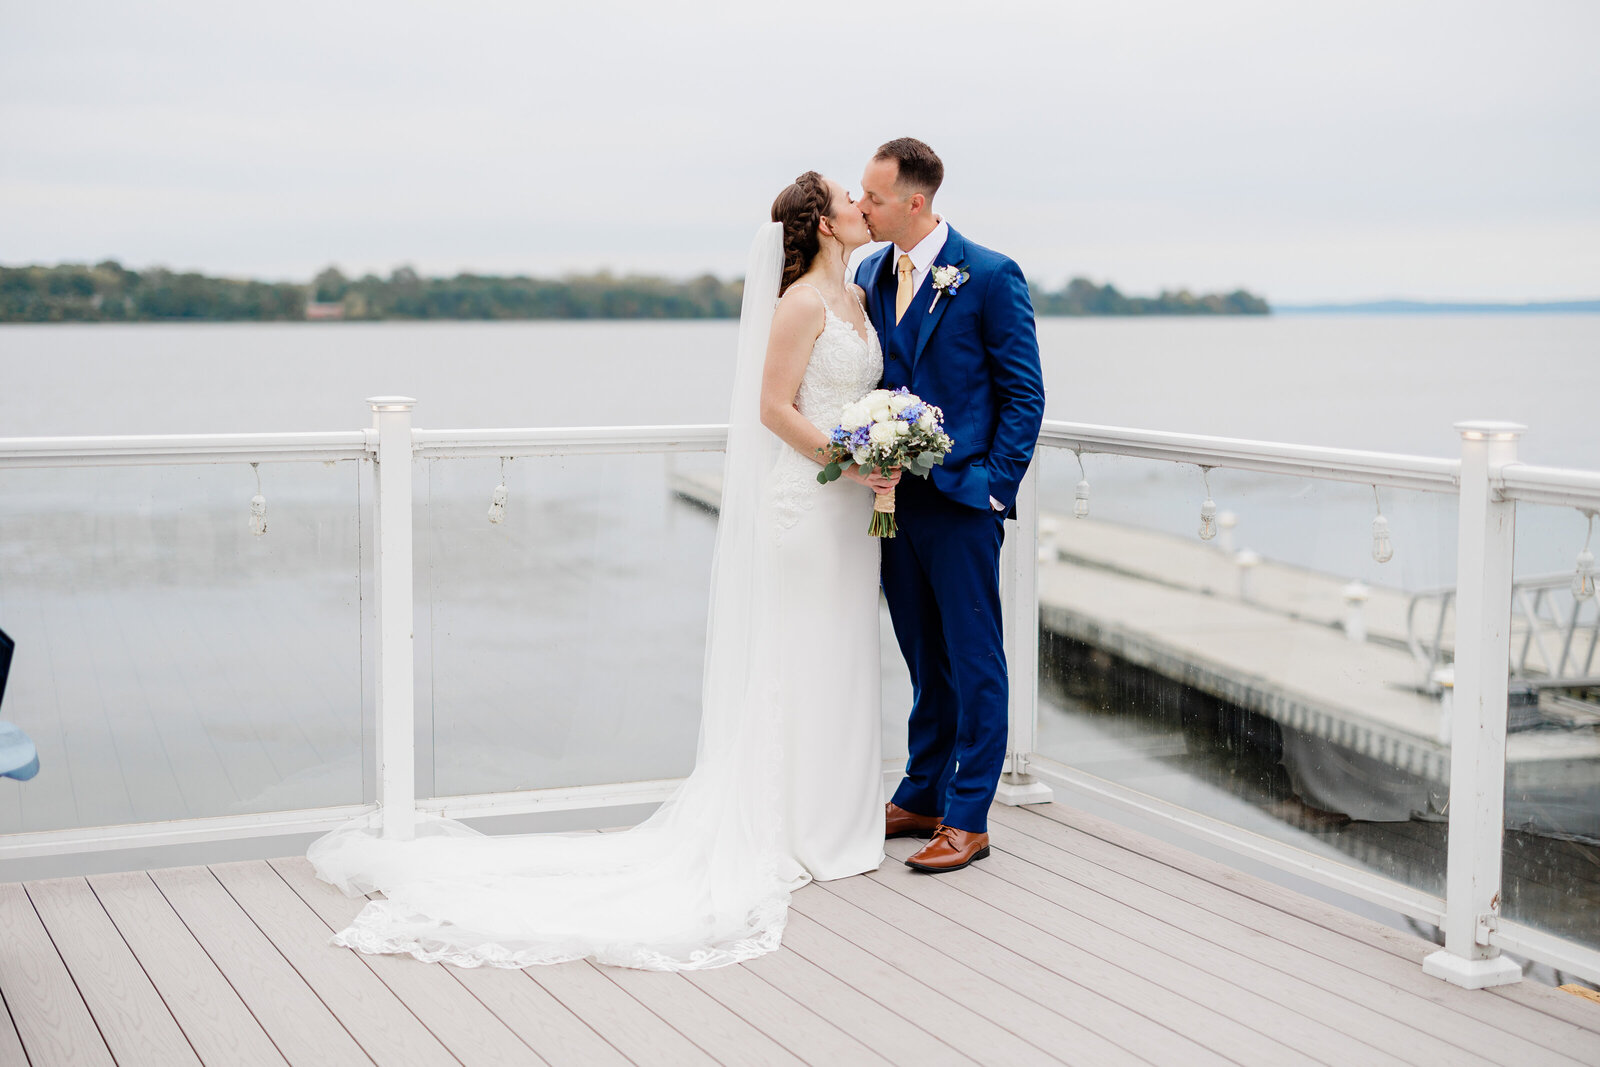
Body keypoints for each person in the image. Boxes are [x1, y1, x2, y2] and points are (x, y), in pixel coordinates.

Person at [308, 172, 894, 971]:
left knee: (843, 653)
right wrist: (849, 462)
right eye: (850, 199)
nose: (865, 206)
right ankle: (791, 827)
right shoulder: (799, 304)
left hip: (854, 512)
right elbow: (773, 406)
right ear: (824, 222)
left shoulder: (860, 297)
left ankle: (838, 818)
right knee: (798, 654)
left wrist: (883, 454)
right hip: (811, 500)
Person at [854, 137, 1046, 872]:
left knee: (974, 661)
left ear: (915, 200)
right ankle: (923, 791)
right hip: (892, 504)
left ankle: (969, 816)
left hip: (964, 502)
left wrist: (994, 488)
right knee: (922, 656)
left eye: (873, 197)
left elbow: (1023, 394)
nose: (863, 207)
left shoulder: (991, 275)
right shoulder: (872, 272)